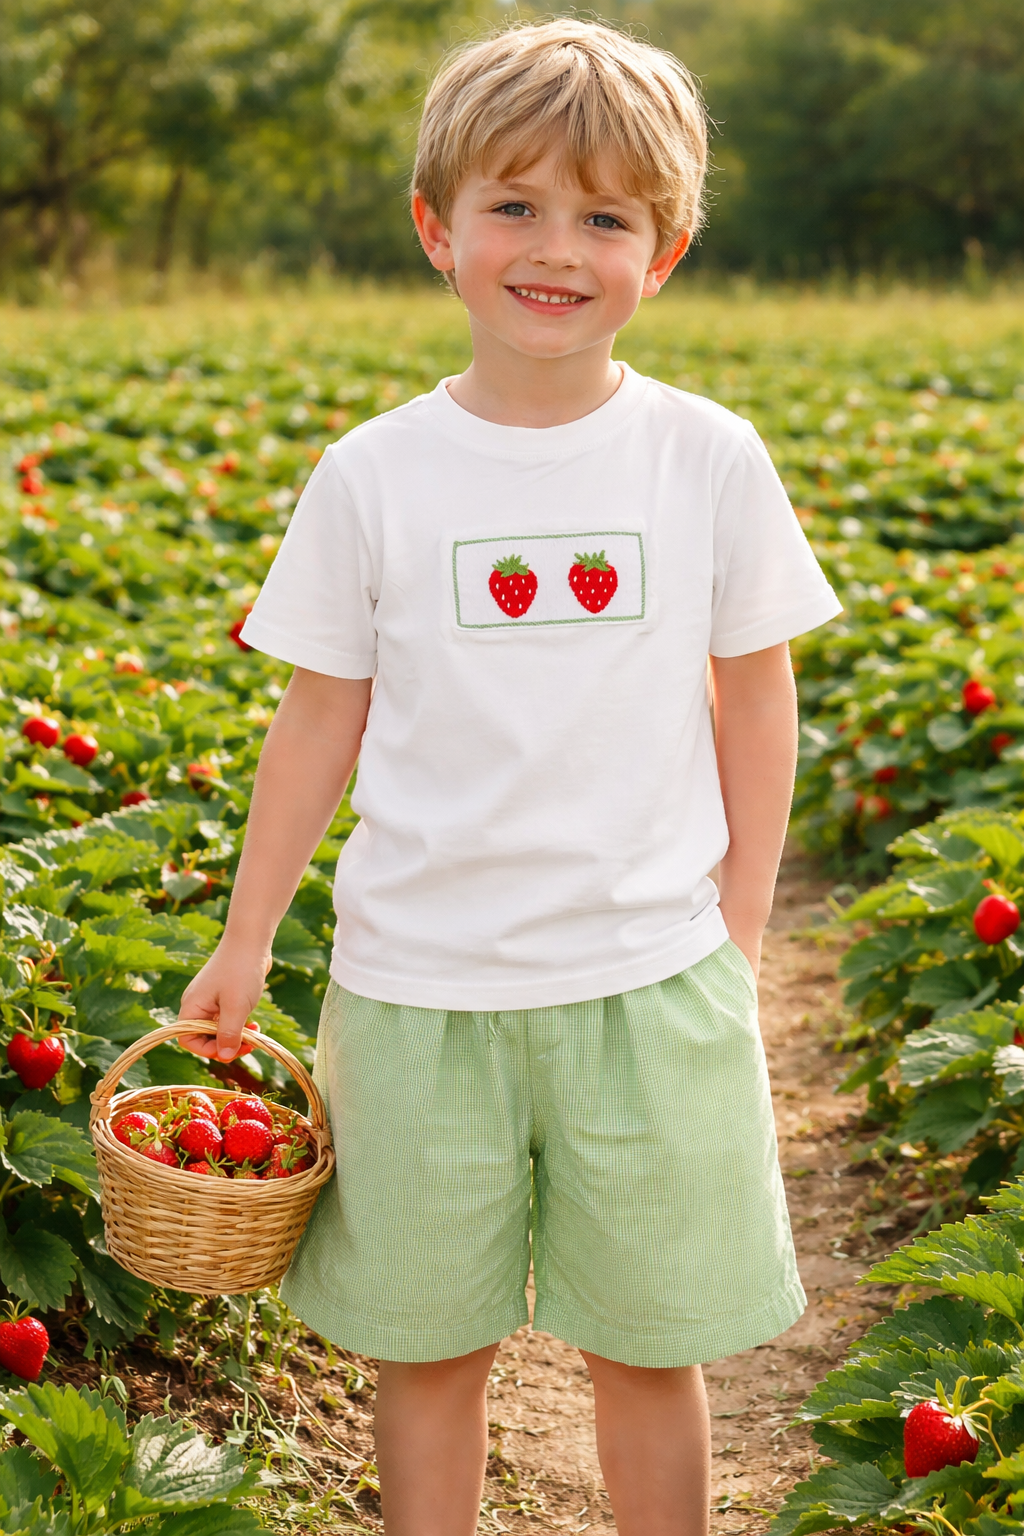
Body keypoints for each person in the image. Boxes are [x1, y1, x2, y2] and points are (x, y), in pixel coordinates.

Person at [178, 18, 842, 1535]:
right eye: (516, 205)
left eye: (606, 217)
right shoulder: (374, 472)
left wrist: (738, 927)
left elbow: (755, 693)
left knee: (650, 1346)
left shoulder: (706, 456)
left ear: (664, 253)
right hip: (415, 985)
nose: (556, 249)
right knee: (426, 1349)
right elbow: (321, 715)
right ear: (438, 227)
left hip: (647, 973)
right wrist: (245, 935)